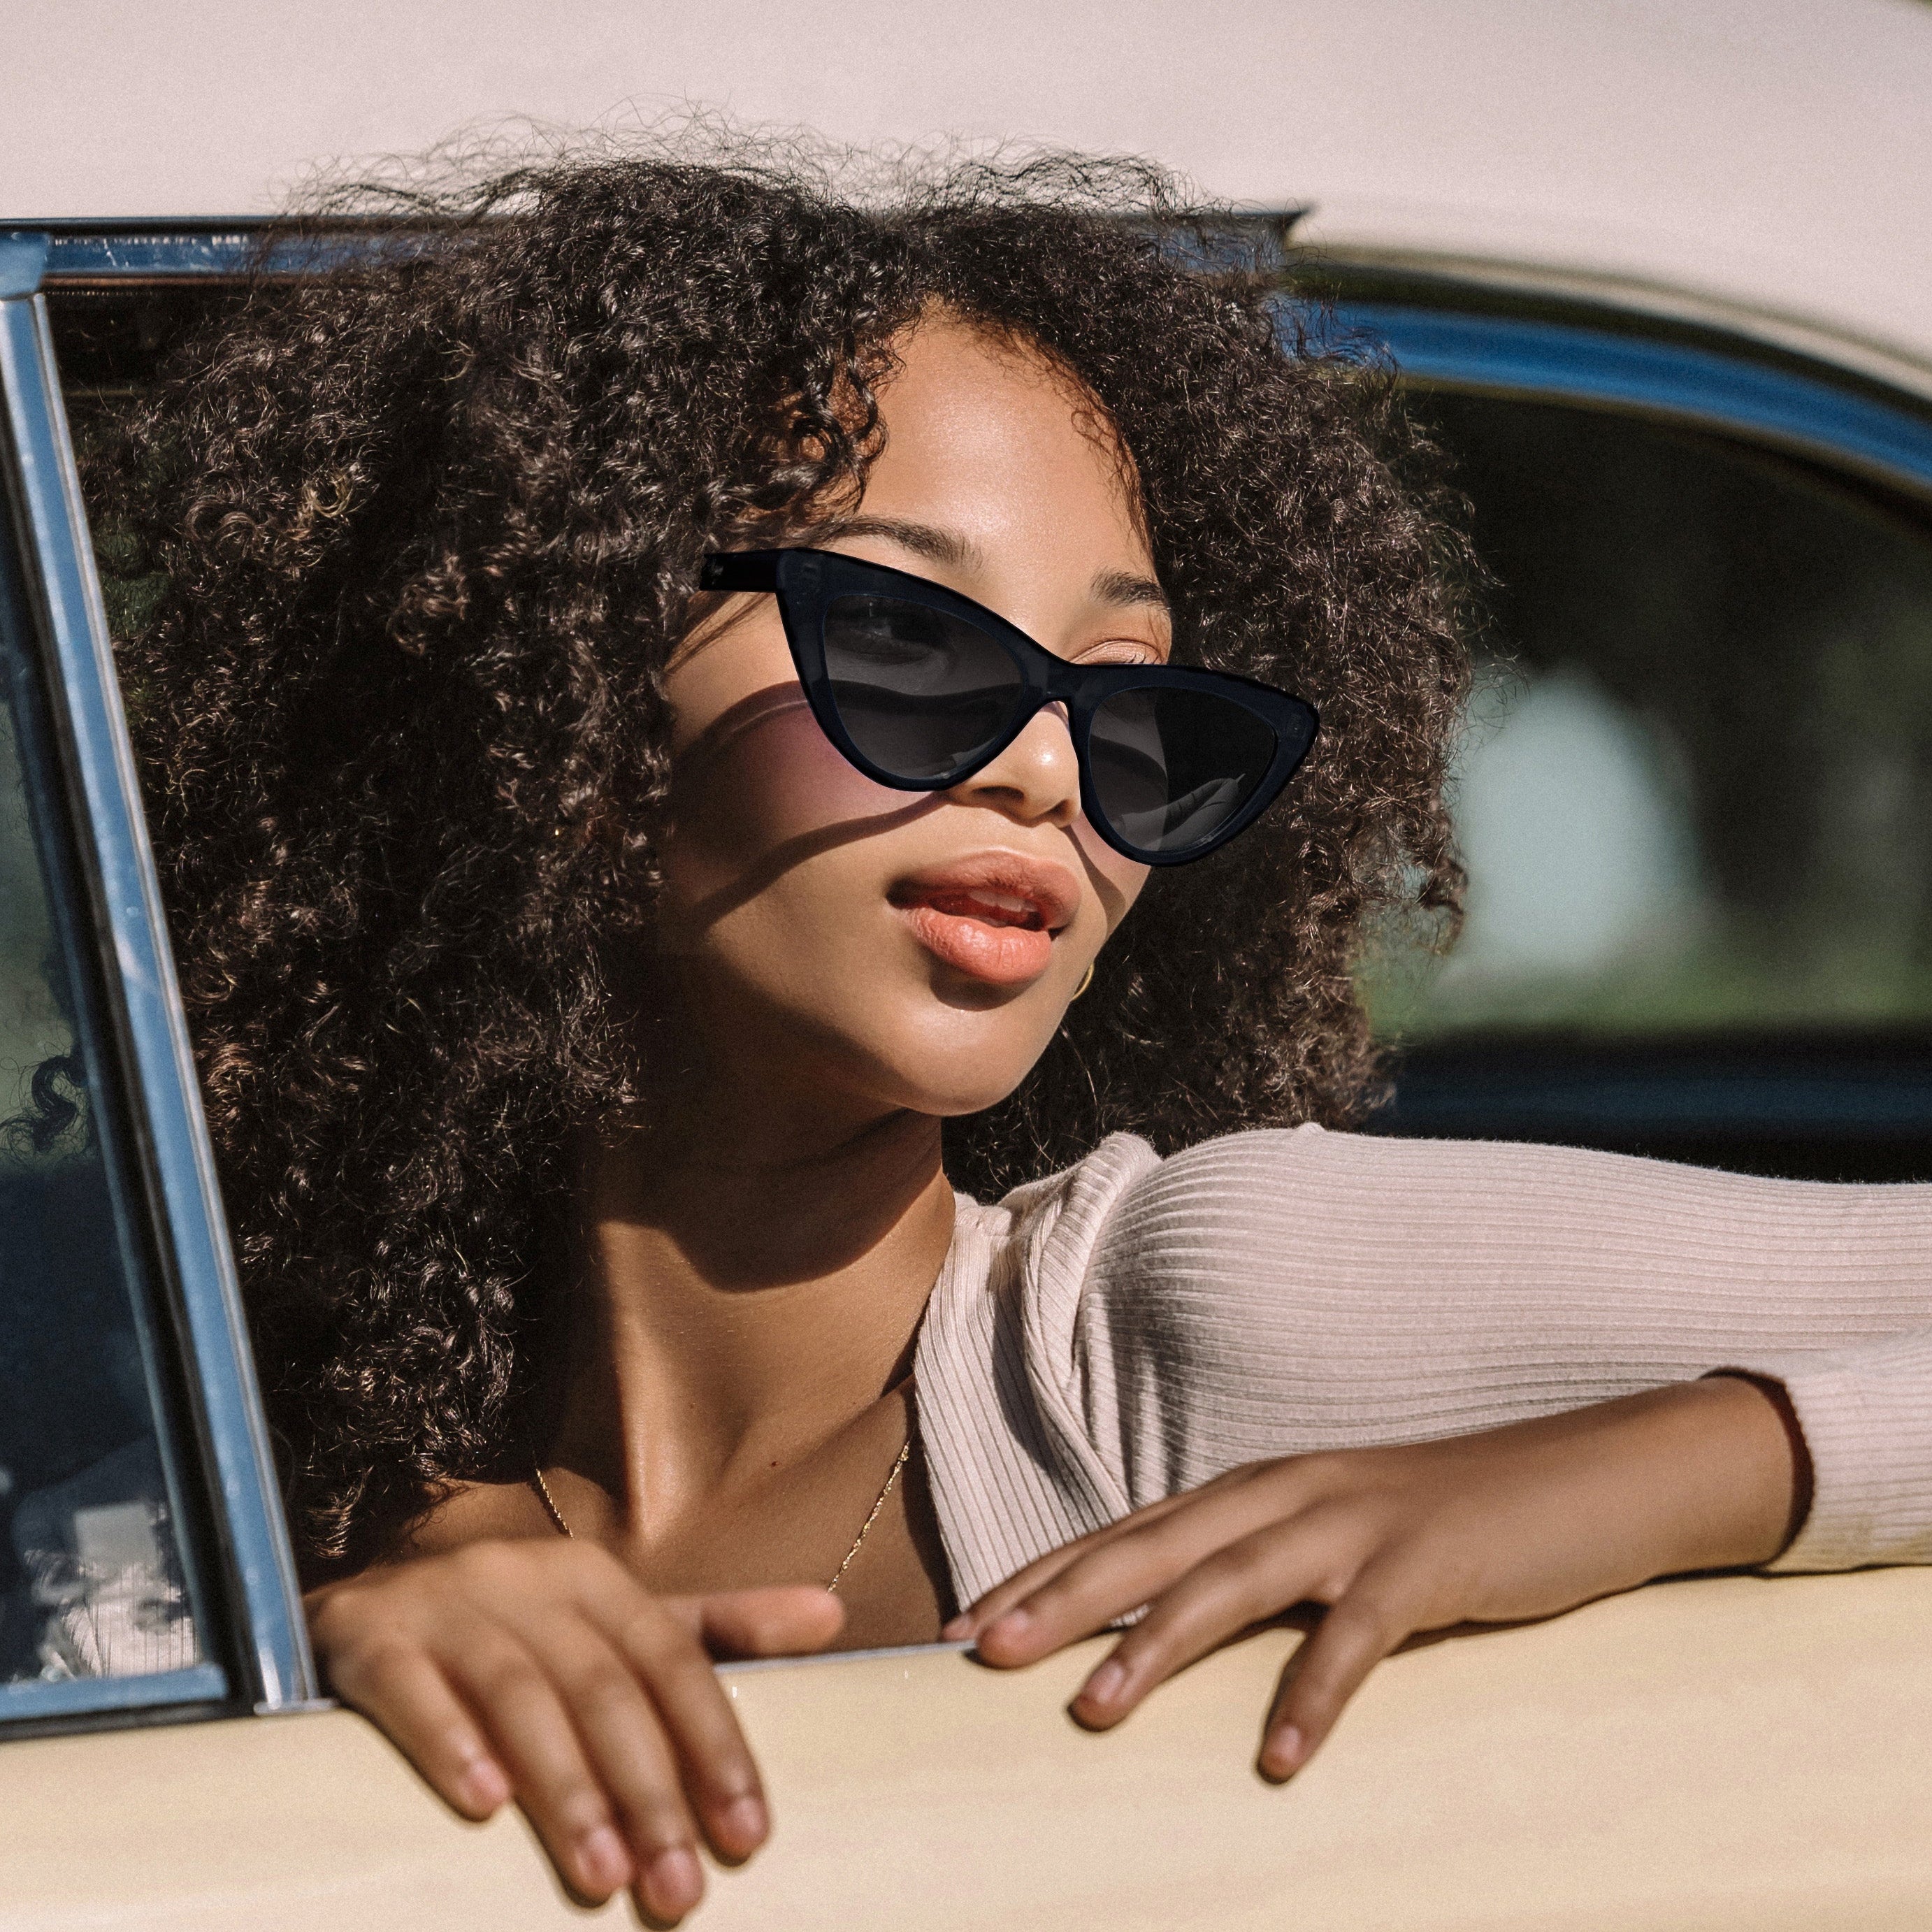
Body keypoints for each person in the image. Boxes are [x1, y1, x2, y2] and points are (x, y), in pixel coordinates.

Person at [99, 148, 1931, 1924]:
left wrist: (1635, 1473)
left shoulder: (1182, 1307)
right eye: (905, 645)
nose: (1048, 770)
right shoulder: (241, 1423)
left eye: (1133, 713)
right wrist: (326, 1606)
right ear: (560, 699)